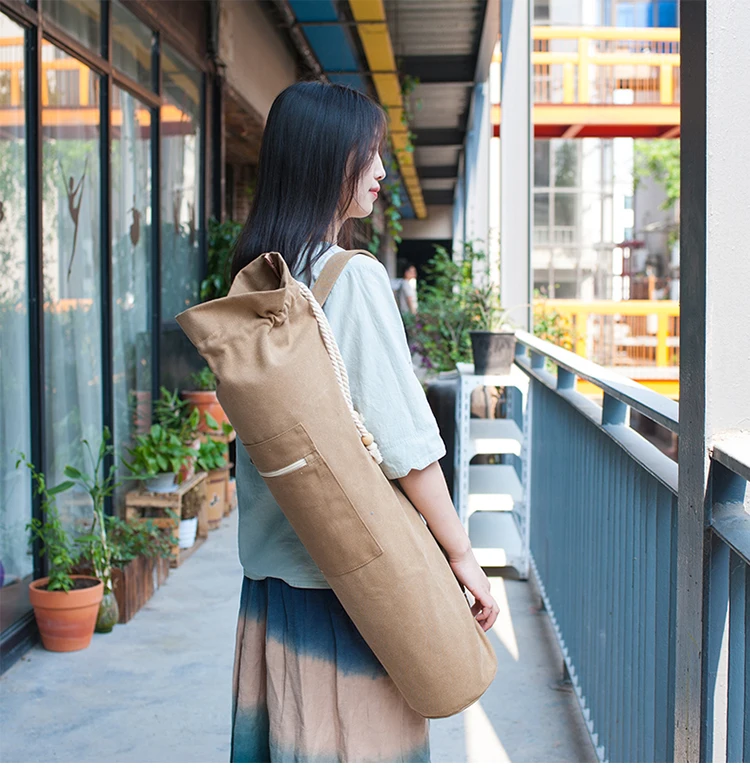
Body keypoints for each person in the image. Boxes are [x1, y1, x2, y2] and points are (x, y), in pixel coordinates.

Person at [228, 81, 499, 764]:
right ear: (327, 159)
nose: (380, 170)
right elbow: (405, 448)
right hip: (350, 590)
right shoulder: (348, 277)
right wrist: (461, 555)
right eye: (368, 153)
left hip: (272, 584)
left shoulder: (258, 281)